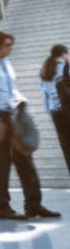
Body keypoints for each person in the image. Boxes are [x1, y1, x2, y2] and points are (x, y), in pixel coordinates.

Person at [0, 30, 60, 220]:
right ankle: (2, 207)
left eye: (11, 45)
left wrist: (20, 100)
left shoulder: (5, 62)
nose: (10, 48)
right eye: (7, 45)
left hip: (11, 112)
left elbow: (9, 88)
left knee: (25, 159)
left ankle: (33, 205)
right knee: (3, 161)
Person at [39, 45, 70, 176]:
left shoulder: (46, 72)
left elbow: (44, 99)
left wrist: (52, 115)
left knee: (67, 150)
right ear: (64, 54)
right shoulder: (66, 68)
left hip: (56, 114)